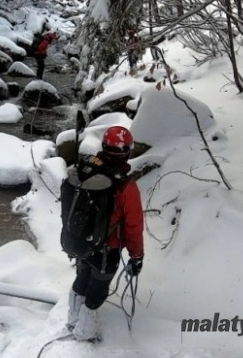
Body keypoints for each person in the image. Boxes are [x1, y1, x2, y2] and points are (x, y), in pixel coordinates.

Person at [66, 126, 145, 342]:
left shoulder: (86, 170)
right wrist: (137, 256)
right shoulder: (126, 187)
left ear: (103, 147)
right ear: (127, 152)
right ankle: (85, 333)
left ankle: (73, 319)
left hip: (82, 242)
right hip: (106, 249)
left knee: (82, 278)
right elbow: (134, 226)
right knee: (97, 290)